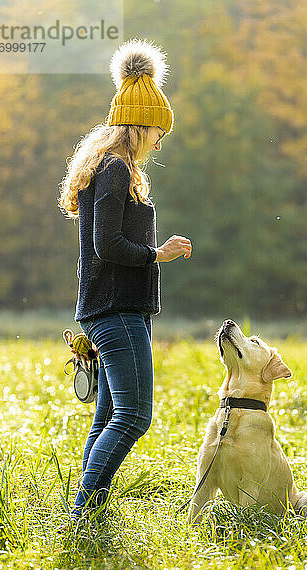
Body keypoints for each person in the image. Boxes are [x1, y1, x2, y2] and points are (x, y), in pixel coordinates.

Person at [57, 38, 192, 521]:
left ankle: (89, 512)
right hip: (116, 311)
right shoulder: (115, 171)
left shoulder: (111, 169)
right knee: (133, 416)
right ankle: (82, 512)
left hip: (105, 309)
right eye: (159, 129)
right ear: (141, 124)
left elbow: (100, 245)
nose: (161, 139)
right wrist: (160, 253)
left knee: (107, 418)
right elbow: (106, 246)